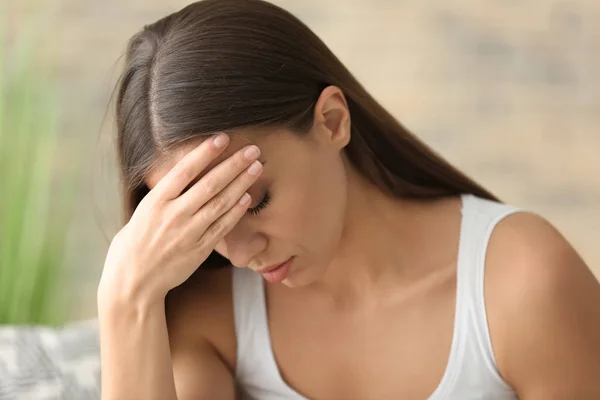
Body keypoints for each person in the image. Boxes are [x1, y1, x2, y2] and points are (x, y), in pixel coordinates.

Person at [97, 0, 600, 399]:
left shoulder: (521, 284)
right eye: (204, 224)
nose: (241, 252)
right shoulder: (210, 315)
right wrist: (125, 299)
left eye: (252, 203)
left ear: (332, 121)